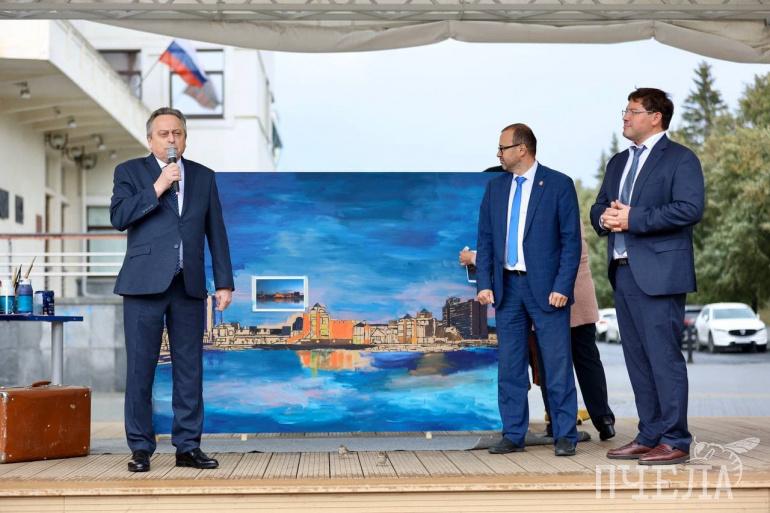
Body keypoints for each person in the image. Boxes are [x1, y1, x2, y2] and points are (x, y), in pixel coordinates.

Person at [110, 107, 234, 472]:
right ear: (150, 139)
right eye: (163, 134)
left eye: (177, 133)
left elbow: (216, 232)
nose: (171, 139)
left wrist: (224, 282)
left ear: (185, 139)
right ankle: (140, 448)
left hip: (188, 285)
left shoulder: (203, 176)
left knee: (189, 370)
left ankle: (188, 447)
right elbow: (119, 217)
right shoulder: (129, 172)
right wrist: (159, 186)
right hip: (143, 285)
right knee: (140, 369)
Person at [590, 88, 704, 465]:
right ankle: (650, 434)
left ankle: (675, 439)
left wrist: (632, 218)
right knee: (637, 359)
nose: (625, 117)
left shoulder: (681, 158)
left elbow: (690, 208)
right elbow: (598, 206)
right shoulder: (618, 162)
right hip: (623, 272)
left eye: (633, 111)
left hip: (661, 275)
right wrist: (604, 217)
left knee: (663, 358)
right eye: (624, 111)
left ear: (655, 117)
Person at [475, 123, 581, 457]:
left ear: (522, 149)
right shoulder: (495, 188)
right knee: (510, 366)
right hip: (508, 290)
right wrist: (484, 283)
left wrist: (563, 285)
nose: (498, 154)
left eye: (502, 148)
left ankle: (565, 434)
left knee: (556, 364)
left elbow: (571, 241)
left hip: (549, 291)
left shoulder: (559, 184)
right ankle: (513, 434)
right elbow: (485, 240)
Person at [460, 221, 616, 441]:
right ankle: (603, 419)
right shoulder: (569, 214)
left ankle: (557, 421)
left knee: (548, 363)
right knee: (587, 359)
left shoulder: (541, 212)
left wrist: (475, 257)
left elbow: (526, 255)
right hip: (579, 294)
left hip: (548, 295)